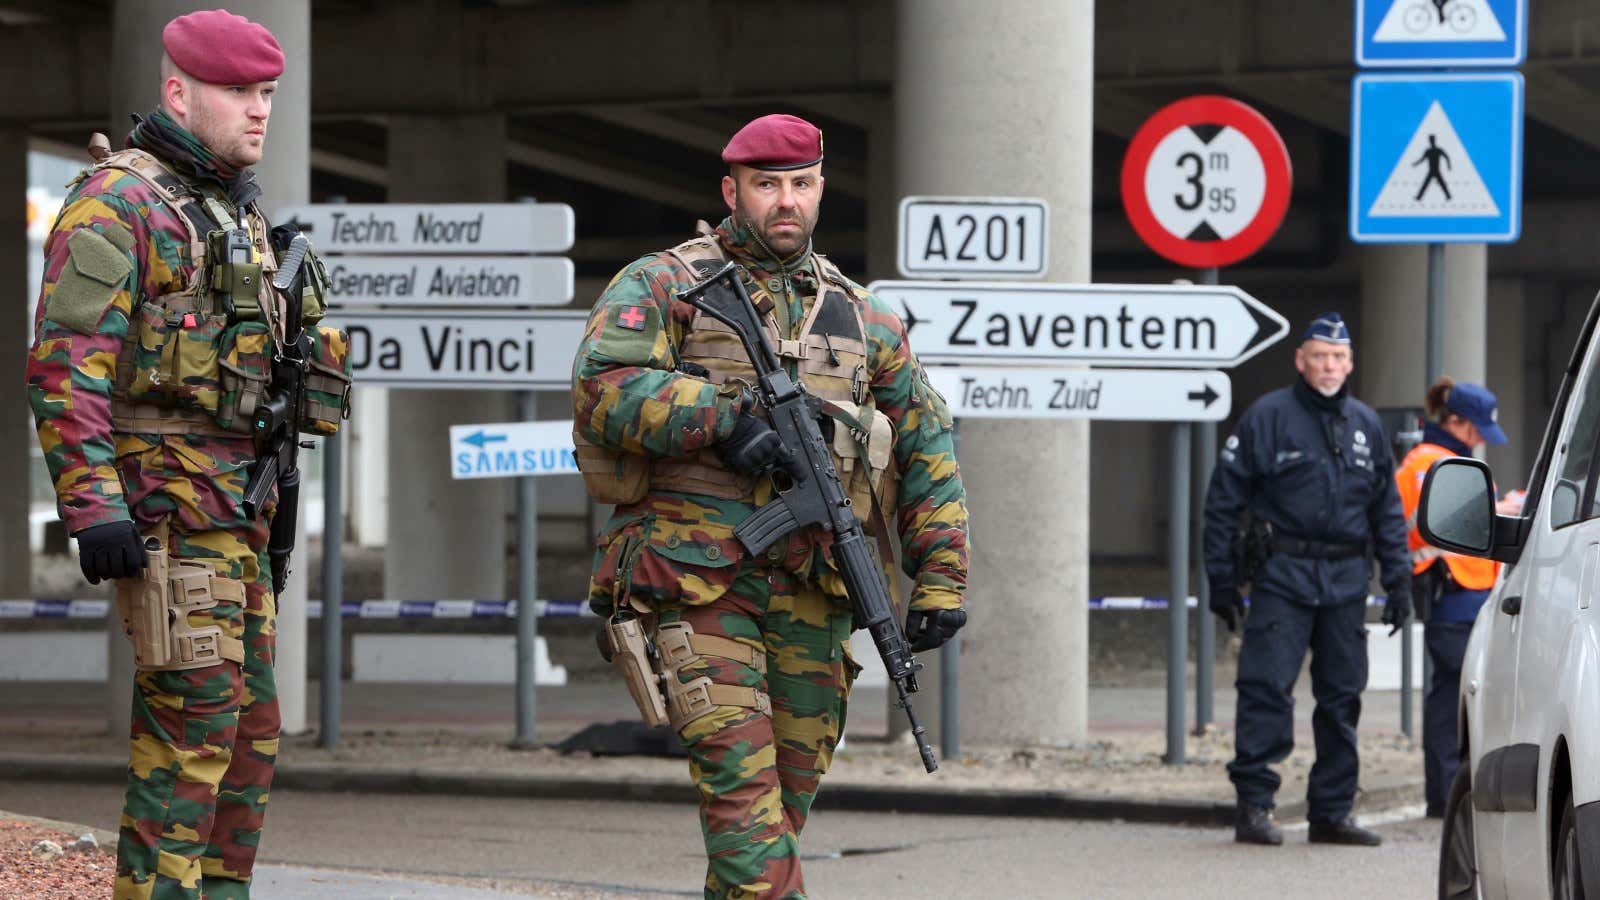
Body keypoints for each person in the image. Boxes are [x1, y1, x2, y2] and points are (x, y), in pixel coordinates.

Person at [572, 113, 969, 898]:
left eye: (799, 184)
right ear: (732, 190)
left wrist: (941, 578)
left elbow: (927, 443)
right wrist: (725, 423)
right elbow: (602, 389)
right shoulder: (665, 284)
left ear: (821, 187)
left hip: (814, 593)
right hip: (694, 580)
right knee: (746, 808)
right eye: (765, 185)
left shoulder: (862, 317)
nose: (783, 201)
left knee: (777, 817)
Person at [24, 10, 348, 899]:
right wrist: (94, 509)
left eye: (268, 94)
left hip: (240, 518)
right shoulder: (120, 204)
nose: (258, 112)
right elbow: (65, 367)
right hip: (170, 522)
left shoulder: (232, 213)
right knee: (189, 744)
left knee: (249, 740)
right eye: (238, 92)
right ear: (177, 91)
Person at [1202, 312, 1413, 847]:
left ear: (1350, 363)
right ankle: (1254, 806)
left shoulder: (1366, 424)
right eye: (1319, 355)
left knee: (1342, 698)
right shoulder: (1267, 418)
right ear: (1300, 360)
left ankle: (1332, 812)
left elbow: (1387, 511)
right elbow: (1223, 505)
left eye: (1339, 357)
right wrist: (1221, 581)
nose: (1329, 366)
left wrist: (1399, 580)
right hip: (1283, 576)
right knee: (1265, 691)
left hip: (1345, 579)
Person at [1395, 378, 1519, 817]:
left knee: (1454, 694)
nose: (1482, 437)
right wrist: (1504, 508)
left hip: (1465, 592)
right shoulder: (1431, 463)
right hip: (1452, 592)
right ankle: (1446, 795)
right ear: (1456, 421)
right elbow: (1446, 522)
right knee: (1452, 697)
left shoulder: (1447, 459)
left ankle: (1451, 794)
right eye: (1477, 428)